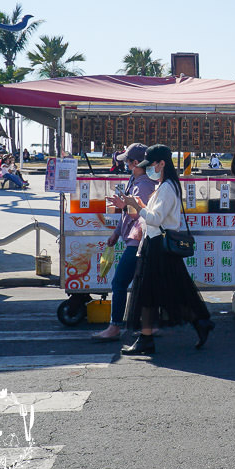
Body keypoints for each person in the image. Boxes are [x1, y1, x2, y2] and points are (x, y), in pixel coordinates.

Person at [120, 144, 214, 355]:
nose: (149, 169)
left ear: (162, 164)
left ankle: (147, 339)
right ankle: (199, 322)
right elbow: (154, 215)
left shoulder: (167, 188)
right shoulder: (164, 186)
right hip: (156, 244)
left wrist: (137, 206)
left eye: (151, 165)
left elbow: (155, 219)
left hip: (158, 246)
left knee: (148, 293)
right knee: (170, 291)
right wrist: (139, 204)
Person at [93, 144, 155, 342]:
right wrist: (117, 232)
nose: (125, 165)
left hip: (137, 242)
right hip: (134, 240)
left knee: (119, 283)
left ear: (136, 163)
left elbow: (141, 215)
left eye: (127, 162)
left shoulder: (144, 186)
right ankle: (150, 326)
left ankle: (115, 326)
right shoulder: (135, 181)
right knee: (142, 285)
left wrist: (124, 206)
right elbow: (127, 215)